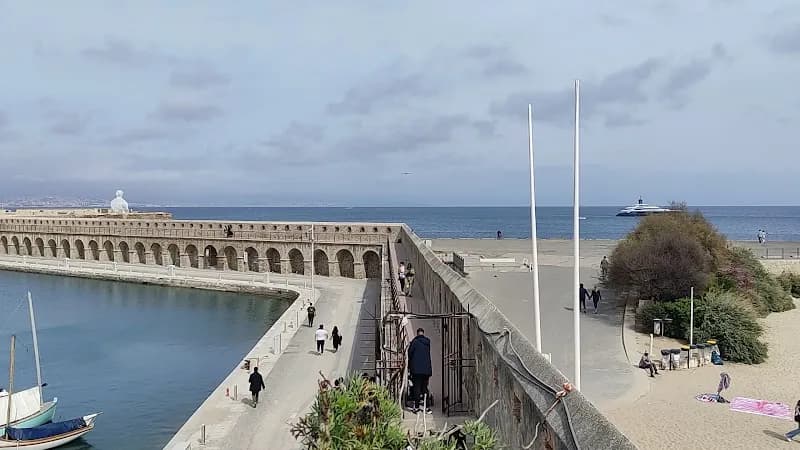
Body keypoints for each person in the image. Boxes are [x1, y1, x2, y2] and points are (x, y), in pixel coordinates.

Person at [408, 328, 433, 414]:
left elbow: (410, 353)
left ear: (417, 333)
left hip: (416, 370)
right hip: (426, 370)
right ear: (423, 333)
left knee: (417, 388)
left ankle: (417, 407)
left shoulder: (415, 342)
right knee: (425, 388)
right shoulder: (427, 342)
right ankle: (427, 407)